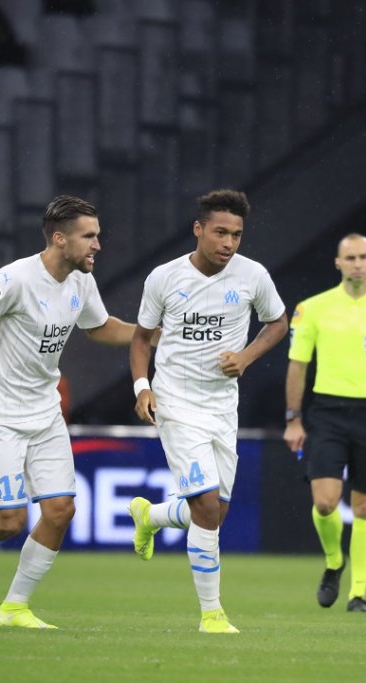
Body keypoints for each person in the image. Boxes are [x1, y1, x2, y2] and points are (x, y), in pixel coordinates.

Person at [0, 195, 141, 629]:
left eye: (98, 235)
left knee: (61, 511)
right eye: (89, 236)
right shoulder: (16, 278)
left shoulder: (81, 280)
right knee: (9, 521)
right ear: (60, 239)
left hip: (44, 413)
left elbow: (99, 327)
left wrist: (149, 334)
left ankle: (14, 607)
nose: (98, 245)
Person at [127, 189, 287, 634]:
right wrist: (143, 388)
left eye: (236, 234)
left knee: (213, 512)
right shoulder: (164, 277)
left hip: (222, 405)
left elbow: (278, 321)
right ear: (198, 229)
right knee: (205, 504)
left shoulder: (252, 276)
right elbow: (141, 338)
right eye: (220, 232)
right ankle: (212, 614)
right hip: (176, 400)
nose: (229, 242)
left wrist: (248, 357)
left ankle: (152, 516)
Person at [283, 233, 366, 613]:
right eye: (350, 258)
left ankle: (358, 594)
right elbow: (298, 365)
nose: (357, 263)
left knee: (364, 508)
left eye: (363, 257)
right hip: (327, 412)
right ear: (337, 263)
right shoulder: (313, 309)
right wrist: (293, 419)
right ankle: (333, 562)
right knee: (325, 503)